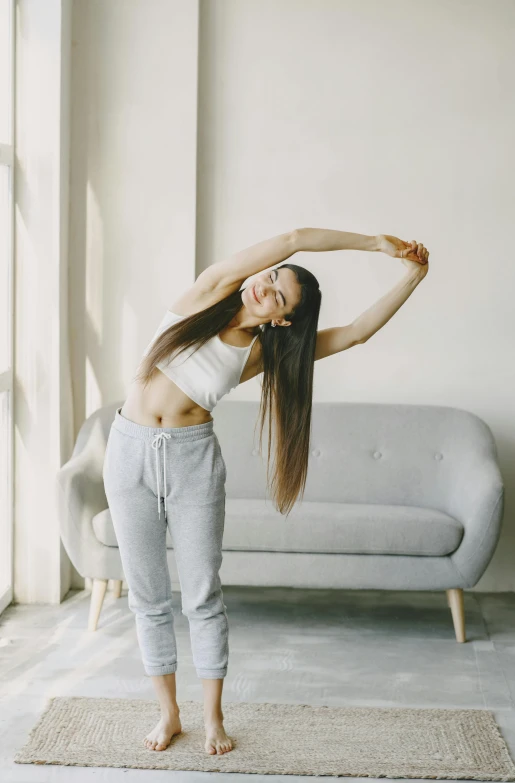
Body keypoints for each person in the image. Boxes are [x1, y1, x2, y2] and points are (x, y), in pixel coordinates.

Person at [102, 227, 429, 755]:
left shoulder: (260, 354)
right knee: (148, 597)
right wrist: (375, 244)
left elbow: (355, 334)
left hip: (192, 462)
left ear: (282, 318)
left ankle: (212, 719)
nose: (264, 287)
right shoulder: (206, 295)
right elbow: (295, 236)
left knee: (203, 596)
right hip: (128, 452)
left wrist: (413, 274)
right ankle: (168, 714)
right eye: (271, 277)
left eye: (278, 295)